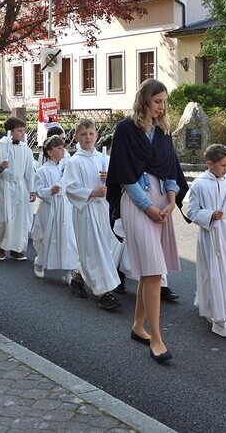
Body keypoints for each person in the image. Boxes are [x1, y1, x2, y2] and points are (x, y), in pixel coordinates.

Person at [107, 79, 188, 360]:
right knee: (153, 270)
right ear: (144, 100)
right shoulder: (126, 129)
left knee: (150, 271)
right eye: (157, 101)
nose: (161, 107)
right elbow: (124, 174)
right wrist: (148, 207)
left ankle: (137, 326)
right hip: (136, 201)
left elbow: (171, 170)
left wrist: (172, 199)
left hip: (162, 200)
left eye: (164, 102)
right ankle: (156, 338)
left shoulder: (164, 130)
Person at [65, 119, 122, 311]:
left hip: (103, 209)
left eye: (90, 134)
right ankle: (103, 292)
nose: (87, 137)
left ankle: (77, 278)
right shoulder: (74, 162)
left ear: (96, 136)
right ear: (76, 138)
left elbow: (115, 185)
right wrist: (91, 193)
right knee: (93, 249)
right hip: (86, 209)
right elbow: (70, 188)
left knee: (101, 247)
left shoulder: (105, 159)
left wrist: (110, 179)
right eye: (83, 134)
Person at [186, 144, 226, 338]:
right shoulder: (200, 184)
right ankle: (220, 321)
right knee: (217, 276)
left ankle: (211, 306)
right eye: (223, 165)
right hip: (211, 235)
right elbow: (192, 211)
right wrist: (209, 215)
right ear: (210, 164)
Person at [31, 134, 81, 286]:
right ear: (50, 152)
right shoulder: (42, 171)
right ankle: (39, 262)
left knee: (68, 239)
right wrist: (50, 191)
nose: (62, 150)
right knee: (47, 237)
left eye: (62, 147)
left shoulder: (65, 168)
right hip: (50, 208)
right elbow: (38, 190)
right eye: (59, 148)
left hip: (65, 207)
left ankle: (68, 272)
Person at [0, 117, 36, 261]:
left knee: (19, 219)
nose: (23, 133)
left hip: (19, 186)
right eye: (20, 130)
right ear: (10, 131)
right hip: (3, 185)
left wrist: (31, 190)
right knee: (3, 217)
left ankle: (16, 248)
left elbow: (29, 171)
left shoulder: (25, 149)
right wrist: (0, 167)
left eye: (23, 130)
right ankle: (0, 246)